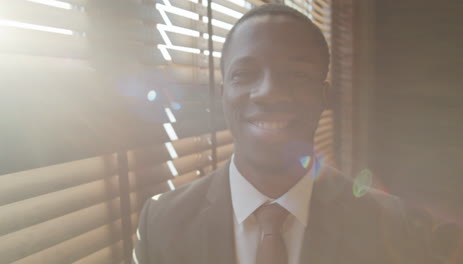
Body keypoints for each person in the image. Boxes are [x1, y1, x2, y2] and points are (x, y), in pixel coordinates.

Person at [132, 4, 439, 264]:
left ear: (324, 97)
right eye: (245, 74)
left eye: (297, 75)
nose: (269, 93)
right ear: (224, 95)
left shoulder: (391, 225)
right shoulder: (162, 222)